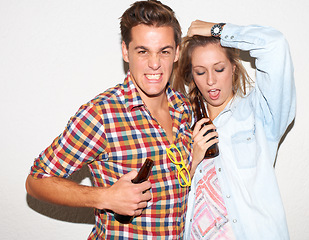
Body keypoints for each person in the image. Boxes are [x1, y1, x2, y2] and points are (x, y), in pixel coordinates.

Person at [25, 1, 193, 239]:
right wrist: (105, 197)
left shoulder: (183, 108)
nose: (154, 64)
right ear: (126, 51)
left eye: (164, 51)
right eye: (142, 51)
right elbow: (36, 181)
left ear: (176, 52)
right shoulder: (102, 114)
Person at [173, 20, 296, 239]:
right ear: (192, 76)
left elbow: (275, 45)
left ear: (233, 67)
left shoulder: (260, 113)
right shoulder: (181, 126)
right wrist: (193, 158)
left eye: (219, 69)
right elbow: (167, 196)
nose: (211, 80)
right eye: (200, 72)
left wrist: (217, 30)